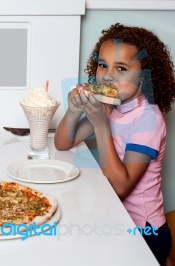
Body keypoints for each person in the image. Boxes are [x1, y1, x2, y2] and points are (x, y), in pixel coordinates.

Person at [54, 23, 175, 265]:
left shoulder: (147, 118)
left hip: (145, 231)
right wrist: (73, 111)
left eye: (121, 68)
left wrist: (101, 125)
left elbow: (122, 186)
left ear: (144, 75)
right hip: (115, 217)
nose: (108, 75)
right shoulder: (110, 106)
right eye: (102, 65)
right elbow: (62, 144)